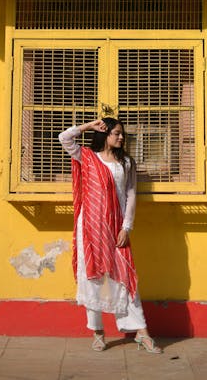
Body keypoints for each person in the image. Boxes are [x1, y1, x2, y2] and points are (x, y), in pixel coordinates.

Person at [59, 117, 162, 353]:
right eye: (116, 133)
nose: (121, 137)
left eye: (122, 133)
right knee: (92, 277)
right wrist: (87, 126)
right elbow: (63, 138)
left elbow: (131, 195)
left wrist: (127, 227)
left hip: (116, 226)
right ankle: (97, 332)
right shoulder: (87, 157)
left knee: (125, 276)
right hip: (91, 226)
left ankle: (141, 332)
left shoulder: (126, 162)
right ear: (105, 135)